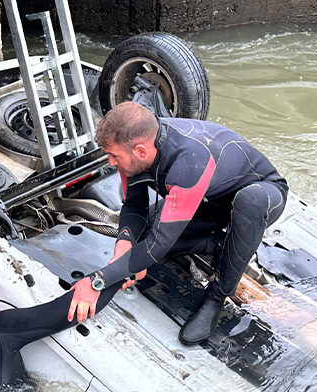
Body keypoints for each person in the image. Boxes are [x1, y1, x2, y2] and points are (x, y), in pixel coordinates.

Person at [67, 102, 290, 344]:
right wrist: (123, 246)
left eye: (114, 156)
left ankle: (217, 296)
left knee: (249, 201)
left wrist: (97, 281)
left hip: (261, 194)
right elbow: (134, 206)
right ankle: (218, 244)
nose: (110, 162)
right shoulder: (134, 148)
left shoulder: (188, 162)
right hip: (205, 200)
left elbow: (158, 246)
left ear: (141, 151)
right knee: (141, 239)